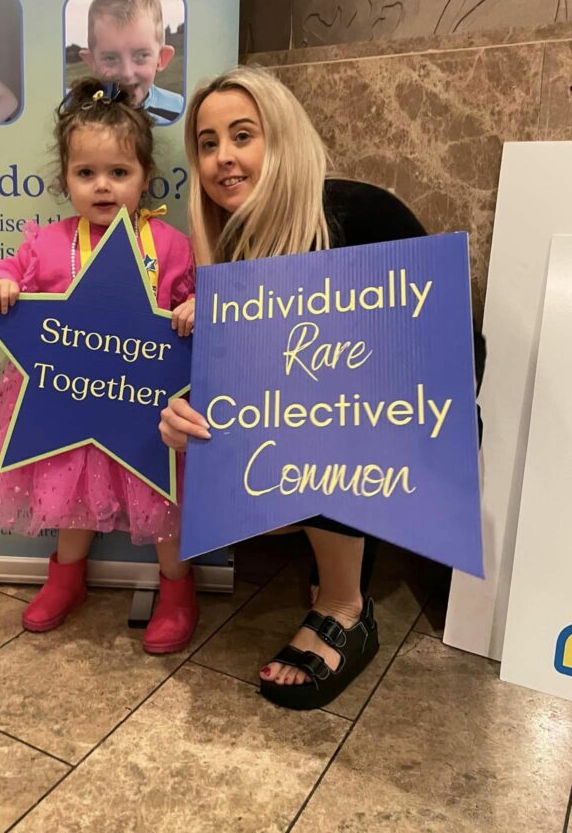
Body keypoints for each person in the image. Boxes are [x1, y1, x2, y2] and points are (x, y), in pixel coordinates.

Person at [158, 65, 486, 710]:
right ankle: (337, 558)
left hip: (414, 421)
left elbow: (453, 356)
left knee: (312, 414)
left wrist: (344, 390)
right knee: (254, 421)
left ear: (281, 139)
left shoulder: (358, 213)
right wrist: (189, 410)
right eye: (207, 142)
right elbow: (246, 374)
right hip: (330, 430)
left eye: (242, 135)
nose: (223, 157)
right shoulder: (234, 247)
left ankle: (345, 603)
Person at [0, 78, 198, 653]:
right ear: (65, 178)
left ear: (145, 176)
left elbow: (197, 297)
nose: (102, 187)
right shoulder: (48, 243)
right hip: (65, 400)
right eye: (86, 173)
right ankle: (66, 578)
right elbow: (6, 273)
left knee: (162, 500)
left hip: (145, 409)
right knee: (71, 494)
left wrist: (197, 305)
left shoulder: (168, 244)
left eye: (119, 173)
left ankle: (177, 589)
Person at [80, 0, 184, 125]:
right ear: (91, 61)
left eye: (141, 55)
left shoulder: (178, 109)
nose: (127, 74)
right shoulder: (76, 110)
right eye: (110, 58)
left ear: (161, 58)